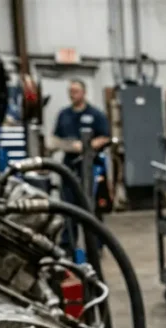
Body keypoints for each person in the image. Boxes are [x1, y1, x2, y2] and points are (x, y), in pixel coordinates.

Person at [51, 80, 111, 247]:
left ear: (83, 93)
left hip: (92, 166)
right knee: (69, 206)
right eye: (70, 91)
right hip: (70, 166)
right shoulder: (64, 115)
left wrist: (87, 146)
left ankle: (96, 246)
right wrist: (68, 146)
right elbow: (56, 139)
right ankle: (68, 245)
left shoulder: (95, 114)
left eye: (76, 91)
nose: (72, 94)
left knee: (92, 207)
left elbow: (105, 137)